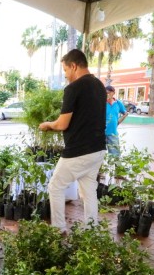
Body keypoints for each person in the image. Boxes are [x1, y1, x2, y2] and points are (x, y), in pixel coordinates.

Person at [38, 49, 107, 232]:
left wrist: (47, 125)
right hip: (98, 149)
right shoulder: (99, 86)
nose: (66, 75)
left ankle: (58, 229)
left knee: (55, 187)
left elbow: (62, 124)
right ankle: (92, 229)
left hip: (79, 151)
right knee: (88, 191)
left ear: (74, 66)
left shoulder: (73, 88)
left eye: (66, 70)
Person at [105, 85, 128, 157]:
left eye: (109, 92)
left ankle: (117, 168)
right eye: (105, 93)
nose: (107, 94)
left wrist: (118, 122)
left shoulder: (118, 103)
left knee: (115, 155)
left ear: (113, 93)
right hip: (100, 133)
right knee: (98, 156)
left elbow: (125, 113)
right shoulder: (101, 103)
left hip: (113, 133)